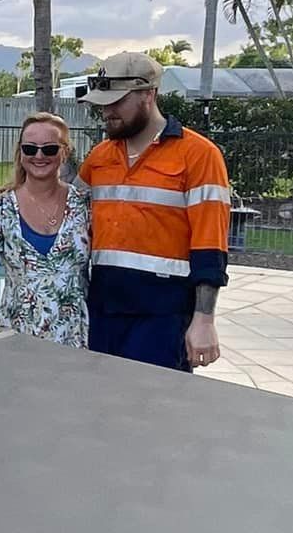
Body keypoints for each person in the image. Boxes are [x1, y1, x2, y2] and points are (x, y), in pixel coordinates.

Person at [78, 52, 230, 371]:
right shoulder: (100, 156)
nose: (107, 111)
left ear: (149, 94)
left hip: (163, 318)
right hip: (103, 311)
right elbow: (63, 208)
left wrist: (204, 320)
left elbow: (210, 245)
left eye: (117, 102)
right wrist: (16, 188)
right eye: (103, 103)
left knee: (151, 412)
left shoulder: (200, 155)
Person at [0, 112, 90, 344]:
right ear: (21, 153)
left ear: (65, 152)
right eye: (30, 149)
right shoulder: (0, 207)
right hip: (16, 334)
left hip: (73, 336)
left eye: (49, 149)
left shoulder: (85, 206)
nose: (39, 156)